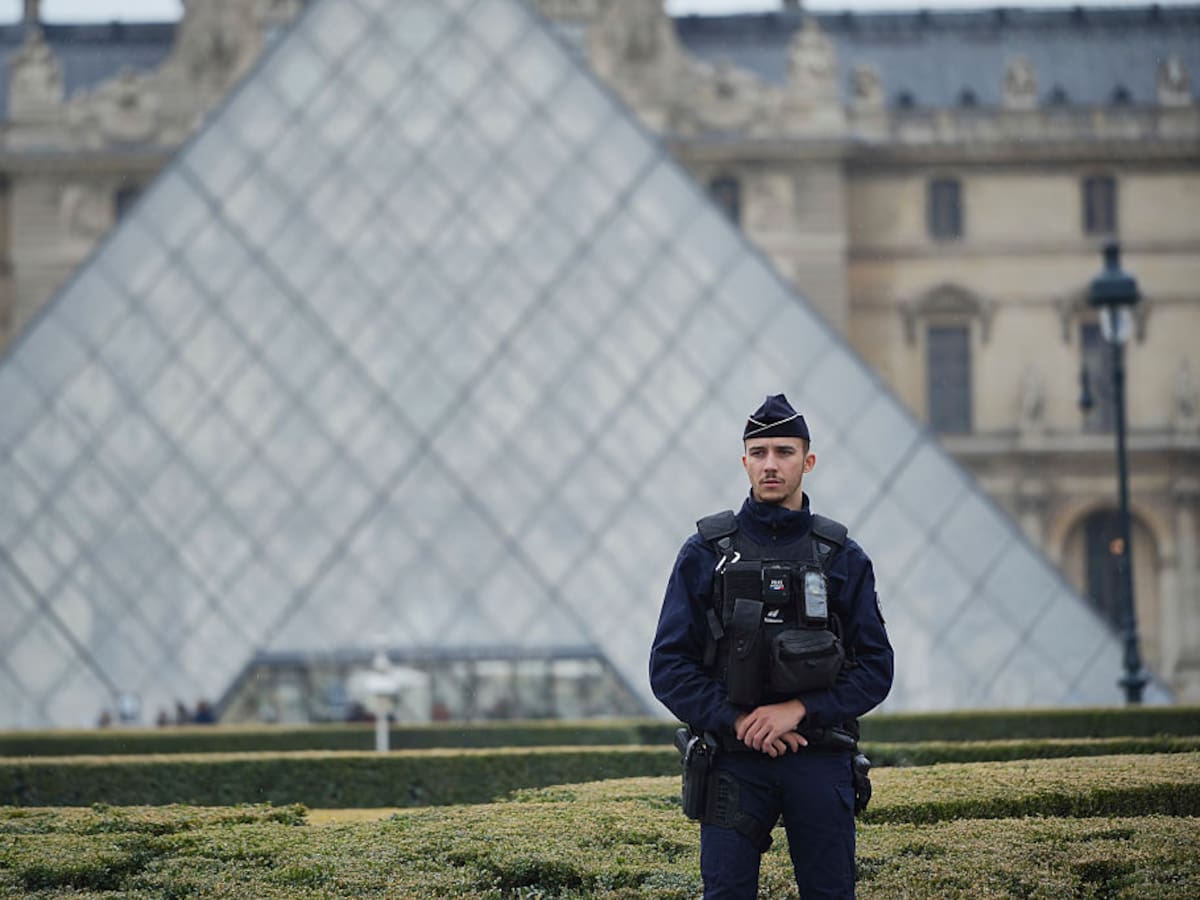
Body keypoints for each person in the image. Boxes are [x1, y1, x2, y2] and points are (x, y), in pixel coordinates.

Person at [650, 393, 893, 898]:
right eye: (758, 453)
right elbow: (669, 666)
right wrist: (739, 720)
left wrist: (798, 710)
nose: (770, 465)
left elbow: (876, 668)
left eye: (783, 452)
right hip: (732, 759)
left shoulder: (842, 556)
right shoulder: (705, 553)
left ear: (808, 461)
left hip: (819, 756)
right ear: (744, 462)